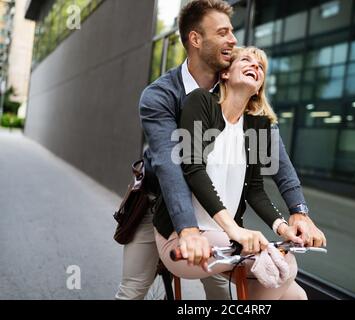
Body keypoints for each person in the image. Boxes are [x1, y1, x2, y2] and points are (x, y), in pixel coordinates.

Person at [115, 0, 326, 300]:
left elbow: (276, 161)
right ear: (196, 39)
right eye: (223, 32)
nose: (233, 40)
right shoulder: (161, 95)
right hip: (158, 203)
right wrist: (187, 229)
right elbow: (169, 164)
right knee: (134, 287)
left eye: (233, 32)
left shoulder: (235, 96)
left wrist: (298, 212)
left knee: (224, 290)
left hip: (212, 217)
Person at [155, 46, 308, 300]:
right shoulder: (201, 102)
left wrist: (283, 228)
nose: (255, 67)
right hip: (187, 236)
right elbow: (193, 168)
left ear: (259, 86)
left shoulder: (257, 126)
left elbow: (256, 191)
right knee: (283, 267)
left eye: (260, 67)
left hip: (226, 240)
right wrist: (234, 230)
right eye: (247, 60)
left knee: (297, 295)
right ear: (225, 74)